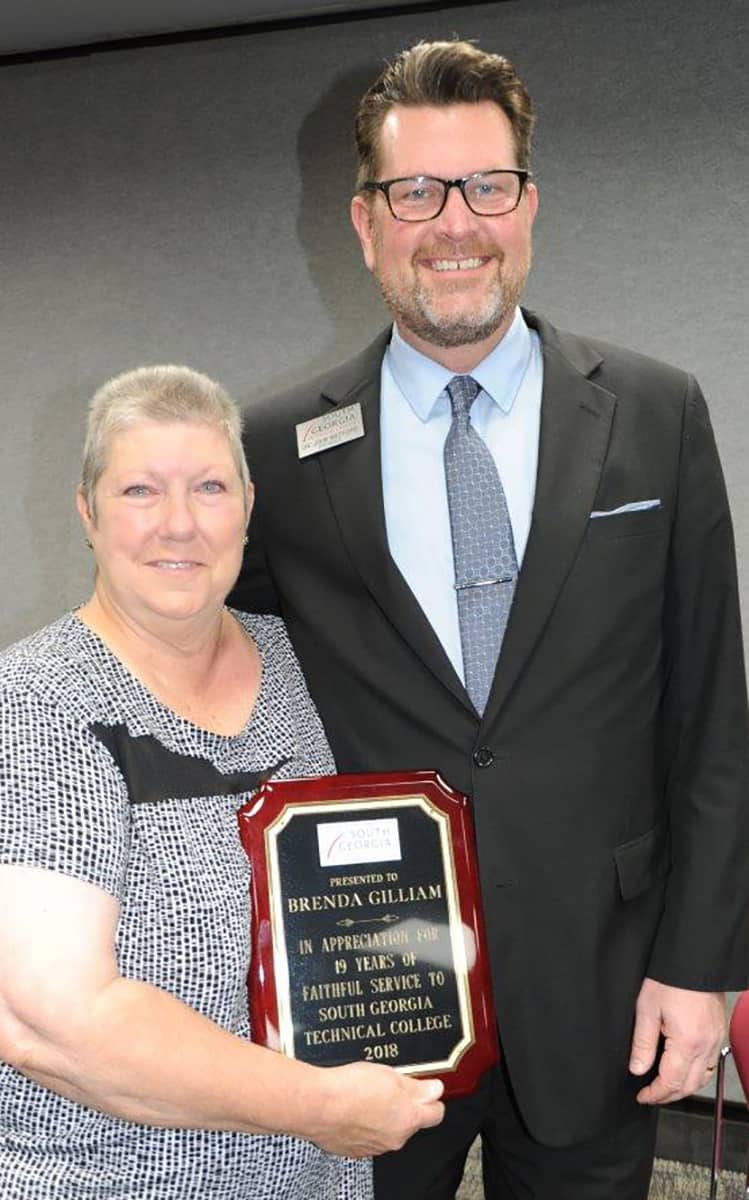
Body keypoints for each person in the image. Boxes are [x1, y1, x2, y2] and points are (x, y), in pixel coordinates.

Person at [229, 38, 749, 1200]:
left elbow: (711, 706)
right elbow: (225, 686)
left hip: (603, 977)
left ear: (527, 206)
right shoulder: (276, 449)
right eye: (413, 191)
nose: (450, 223)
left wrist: (704, 967)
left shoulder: (653, 412)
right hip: (370, 1000)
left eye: (485, 185)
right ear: (364, 223)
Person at [0, 364, 444, 1199]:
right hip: (109, 1180)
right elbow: (49, 1023)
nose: (177, 525)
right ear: (87, 513)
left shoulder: (298, 661)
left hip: (316, 1176)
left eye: (208, 487)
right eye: (139, 490)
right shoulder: (35, 702)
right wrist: (316, 1103)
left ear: (247, 506)